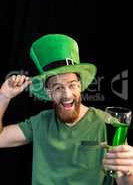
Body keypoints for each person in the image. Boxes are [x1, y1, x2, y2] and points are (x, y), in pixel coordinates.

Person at [0, 34, 133, 185]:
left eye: (72, 85)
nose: (67, 95)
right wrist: (4, 96)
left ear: (80, 85)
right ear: (49, 92)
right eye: (58, 87)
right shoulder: (40, 122)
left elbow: (124, 180)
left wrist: (128, 172)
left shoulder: (107, 123)